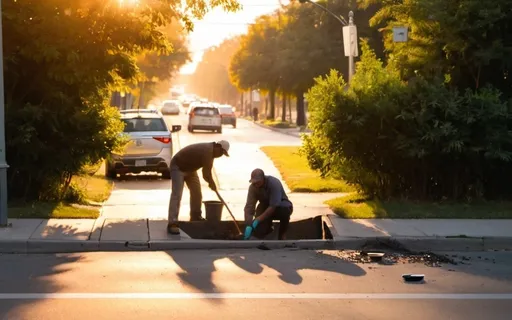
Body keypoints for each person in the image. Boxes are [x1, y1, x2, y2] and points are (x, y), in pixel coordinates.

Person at [167, 140, 230, 235]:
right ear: (218, 146)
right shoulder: (208, 151)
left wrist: (211, 183)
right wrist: (212, 184)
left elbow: (207, 173)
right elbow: (206, 174)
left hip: (191, 169)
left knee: (197, 193)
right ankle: (172, 222)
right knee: (177, 194)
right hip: (178, 166)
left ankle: (195, 216)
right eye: (221, 152)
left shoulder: (211, 153)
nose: (220, 155)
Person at [243, 168, 293, 240]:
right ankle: (262, 233)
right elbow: (249, 206)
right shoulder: (253, 188)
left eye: (258, 182)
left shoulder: (273, 183)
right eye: (254, 182)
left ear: (263, 179)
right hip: (265, 206)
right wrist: (248, 223)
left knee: (285, 211)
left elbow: (273, 206)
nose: (256, 184)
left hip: (280, 206)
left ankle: (282, 235)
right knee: (260, 208)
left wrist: (258, 219)